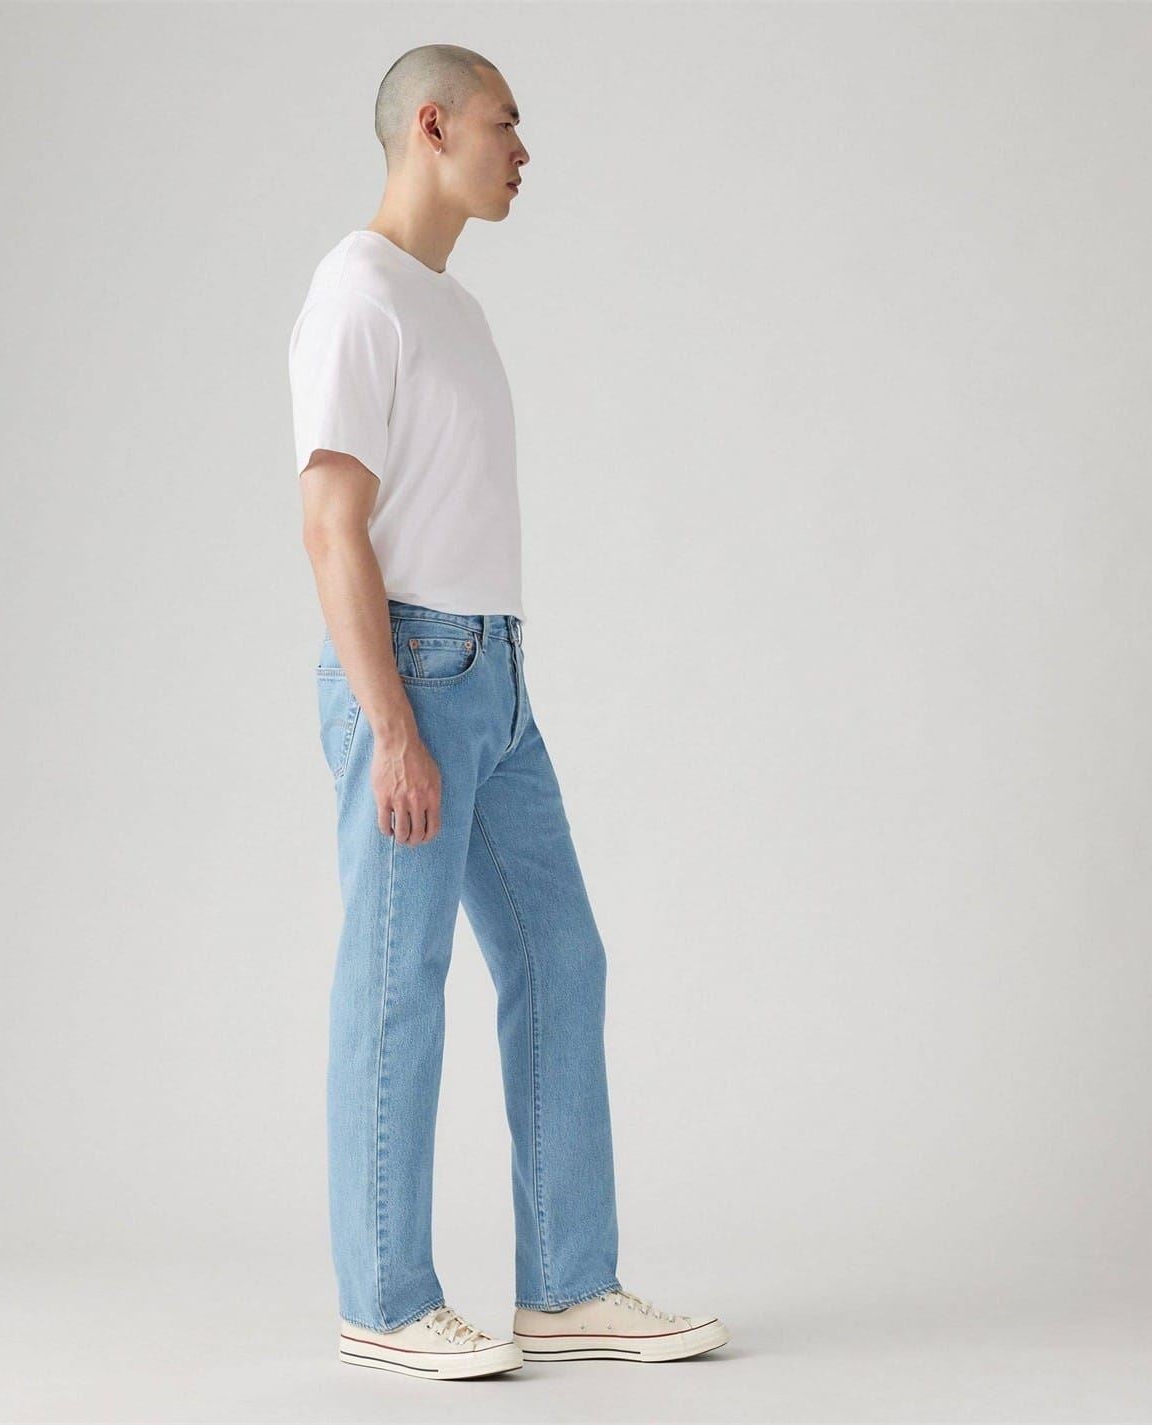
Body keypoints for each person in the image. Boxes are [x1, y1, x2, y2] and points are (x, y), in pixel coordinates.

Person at [287, 44, 729, 1381]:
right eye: (504, 122)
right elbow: (330, 524)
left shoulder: (450, 307)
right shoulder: (358, 292)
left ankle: (567, 1285)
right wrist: (392, 725)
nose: (523, 150)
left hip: (494, 679)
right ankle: (385, 1297)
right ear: (430, 126)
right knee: (396, 982)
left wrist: (479, 693)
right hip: (413, 676)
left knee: (560, 958)